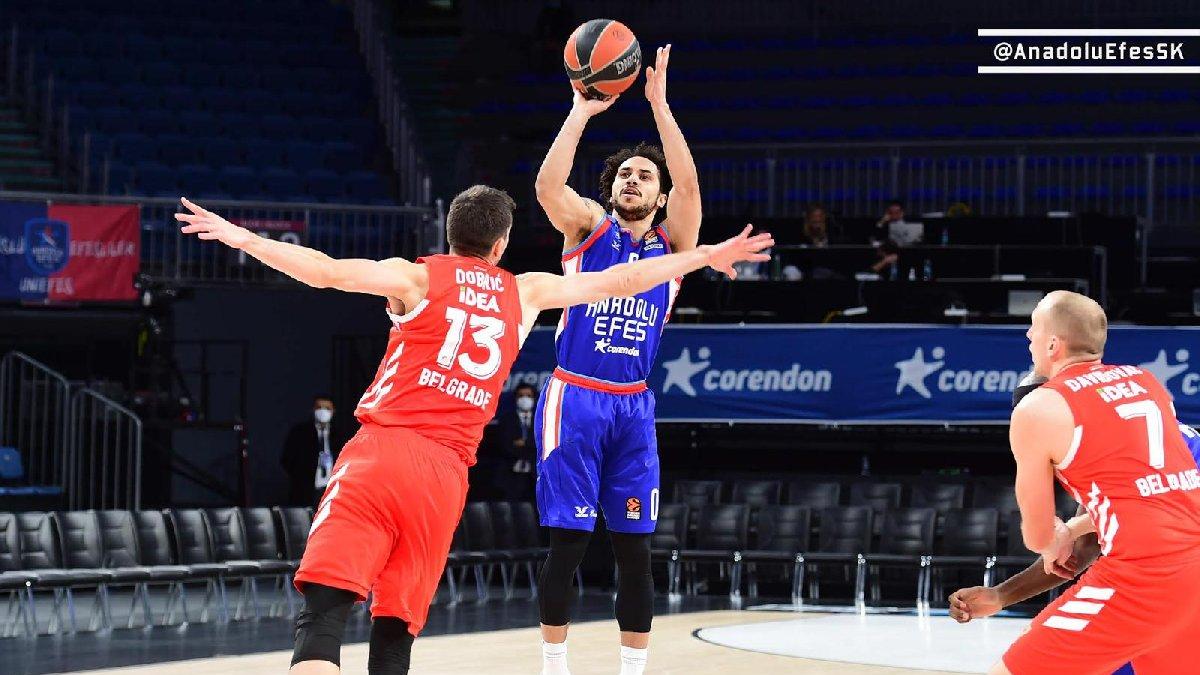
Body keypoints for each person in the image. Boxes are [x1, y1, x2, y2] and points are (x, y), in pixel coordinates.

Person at [174, 190, 771, 675]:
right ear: (502, 243)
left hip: (383, 454)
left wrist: (243, 237)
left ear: (450, 236)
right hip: (444, 479)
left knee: (324, 618)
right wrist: (702, 255)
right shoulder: (525, 290)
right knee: (394, 632)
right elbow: (620, 283)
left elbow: (326, 273)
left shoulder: (417, 277)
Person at [533, 44, 701, 675]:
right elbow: (548, 186)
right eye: (624, 174)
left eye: (643, 176)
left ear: (657, 198)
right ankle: (555, 663)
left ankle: (633, 670)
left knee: (636, 549)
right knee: (570, 541)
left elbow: (689, 183)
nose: (633, 179)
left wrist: (660, 107)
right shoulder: (587, 230)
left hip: (633, 406)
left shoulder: (673, 247)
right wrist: (580, 111)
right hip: (573, 395)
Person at [988, 290, 1200, 675]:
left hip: (1145, 578)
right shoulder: (1147, 383)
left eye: (1032, 328)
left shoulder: (1040, 409)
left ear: (1053, 343)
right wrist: (1071, 527)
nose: (1027, 337)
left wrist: (1055, 533)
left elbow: (1039, 539)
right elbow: (1151, 492)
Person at [949, 373, 1200, 675]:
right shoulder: (1109, 443)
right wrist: (1002, 594)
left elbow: (1150, 508)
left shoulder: (1145, 449)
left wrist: (1071, 528)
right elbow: (1081, 552)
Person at [281, 395, 350, 508]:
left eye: (327, 408)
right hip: (306, 492)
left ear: (333, 411)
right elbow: (287, 460)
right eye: (319, 407)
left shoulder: (339, 436)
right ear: (313, 410)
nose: (323, 411)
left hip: (333, 492)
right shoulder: (300, 433)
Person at [498, 382, 538, 500]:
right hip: (511, 472)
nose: (525, 399)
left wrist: (524, 443)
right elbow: (504, 445)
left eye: (528, 396)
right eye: (521, 396)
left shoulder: (542, 419)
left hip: (535, 473)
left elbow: (542, 444)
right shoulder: (507, 419)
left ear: (534, 399)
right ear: (516, 399)